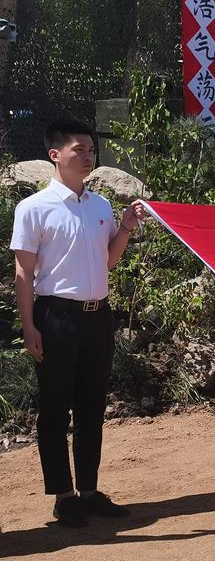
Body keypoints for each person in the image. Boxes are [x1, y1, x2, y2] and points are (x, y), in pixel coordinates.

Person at [10, 120, 145, 528]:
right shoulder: (34, 208)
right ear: (56, 154)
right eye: (79, 150)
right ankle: (63, 495)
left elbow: (107, 262)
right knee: (54, 410)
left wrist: (124, 228)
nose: (88, 156)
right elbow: (23, 271)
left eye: (91, 150)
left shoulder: (101, 206)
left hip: (97, 317)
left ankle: (89, 489)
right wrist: (29, 326)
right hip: (56, 319)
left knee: (92, 408)